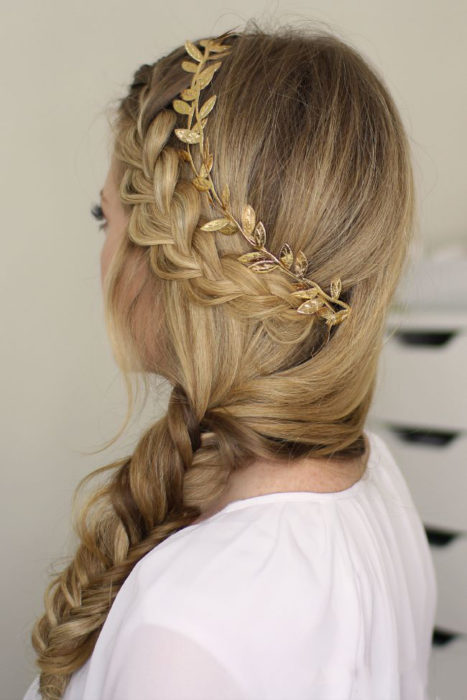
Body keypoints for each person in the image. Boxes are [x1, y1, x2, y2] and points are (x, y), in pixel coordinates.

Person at [23, 19, 437, 700]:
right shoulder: (371, 474)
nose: (102, 254)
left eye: (107, 219)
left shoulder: (185, 625)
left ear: (168, 260)